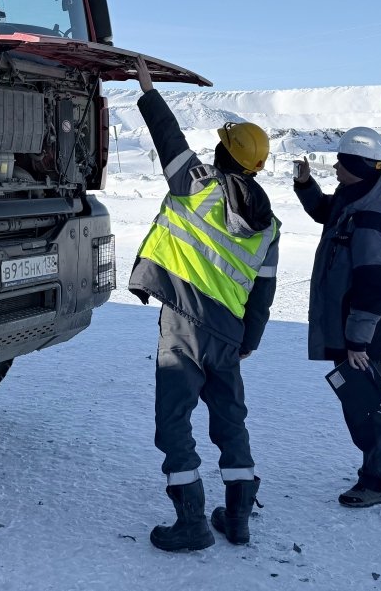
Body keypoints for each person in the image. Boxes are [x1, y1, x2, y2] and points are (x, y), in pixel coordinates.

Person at [129, 56, 280, 551]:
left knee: (174, 422)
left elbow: (167, 137)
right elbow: (263, 292)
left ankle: (191, 521)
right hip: (229, 333)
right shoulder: (270, 225)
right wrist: (248, 342)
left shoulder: (197, 186)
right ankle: (237, 518)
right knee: (230, 421)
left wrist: (148, 89)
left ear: (222, 152)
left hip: (184, 325)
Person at [292, 127, 381, 508]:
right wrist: (306, 185)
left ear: (358, 167)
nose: (335, 167)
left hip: (362, 330)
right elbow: (325, 214)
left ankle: (378, 481)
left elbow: (374, 285)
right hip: (354, 326)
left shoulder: (368, 220)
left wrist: (358, 341)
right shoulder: (356, 198)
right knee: (365, 400)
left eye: (341, 163)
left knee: (362, 407)